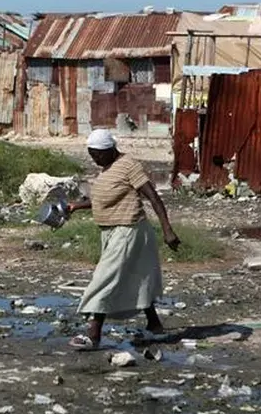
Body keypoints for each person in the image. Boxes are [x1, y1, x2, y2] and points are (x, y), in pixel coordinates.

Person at [66, 128, 181, 350]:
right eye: (91, 154)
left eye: (97, 154)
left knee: (104, 278)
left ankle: (94, 334)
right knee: (136, 278)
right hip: (110, 232)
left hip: (128, 230)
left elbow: (153, 197)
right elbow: (102, 199)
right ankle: (154, 324)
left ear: (110, 149)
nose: (94, 158)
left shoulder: (129, 165)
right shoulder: (108, 169)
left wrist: (167, 229)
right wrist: (76, 206)